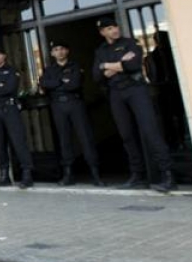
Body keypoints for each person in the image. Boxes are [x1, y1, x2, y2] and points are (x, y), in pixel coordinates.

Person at [92, 16, 175, 192]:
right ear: (102, 33)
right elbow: (97, 76)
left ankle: (167, 174)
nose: (114, 30)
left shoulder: (130, 43)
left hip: (136, 90)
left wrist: (108, 66)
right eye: (109, 28)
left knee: (150, 130)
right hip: (116, 94)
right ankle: (138, 175)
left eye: (115, 26)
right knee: (126, 134)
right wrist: (118, 64)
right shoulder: (101, 51)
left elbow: (134, 65)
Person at [40, 41, 104, 187]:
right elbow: (44, 83)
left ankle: (95, 173)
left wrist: (55, 84)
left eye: (62, 49)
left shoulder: (75, 66)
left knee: (85, 137)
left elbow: (75, 84)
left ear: (67, 51)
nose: (59, 52)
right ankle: (68, 174)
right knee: (64, 139)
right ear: (52, 53)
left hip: (75, 104)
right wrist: (61, 81)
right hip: (58, 105)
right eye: (56, 50)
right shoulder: (49, 69)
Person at [0, 46, 34, 189]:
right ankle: (4, 176)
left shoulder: (12, 71)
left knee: (18, 141)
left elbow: (9, 88)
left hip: (10, 109)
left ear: (5, 56)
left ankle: (27, 175)